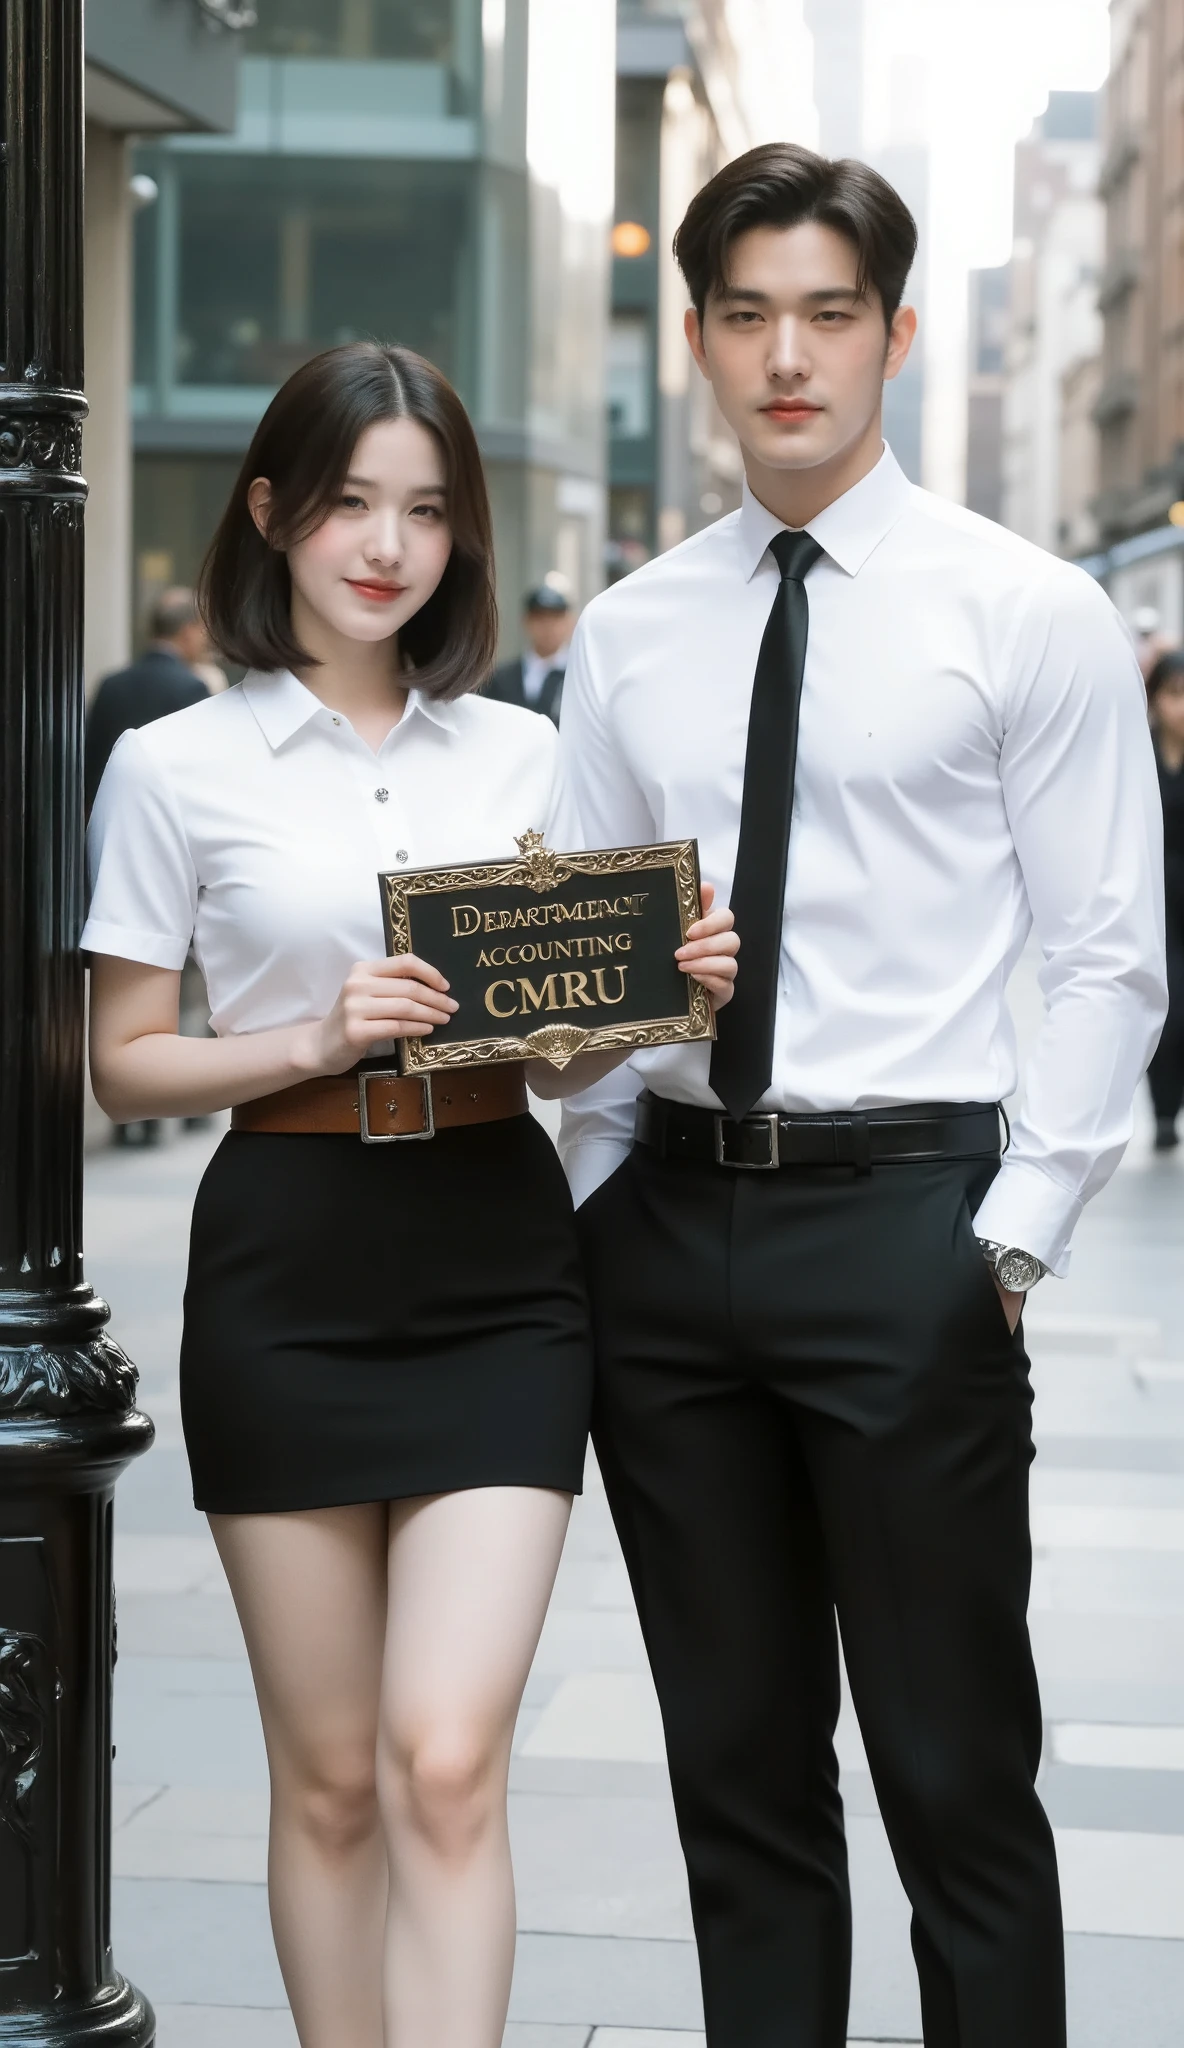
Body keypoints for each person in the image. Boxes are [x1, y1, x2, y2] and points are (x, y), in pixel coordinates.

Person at [558, 144, 1167, 2048]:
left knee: (952, 1777)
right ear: (695, 341)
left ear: (896, 332)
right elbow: (590, 947)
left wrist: (1003, 1237)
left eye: (826, 312)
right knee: (734, 1791)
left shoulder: (1024, 610)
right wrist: (593, 1195)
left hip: (908, 1226)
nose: (785, 356)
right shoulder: (634, 631)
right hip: (664, 1234)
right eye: (744, 316)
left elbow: (1103, 958)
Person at [83, 340, 737, 2048]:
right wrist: (308, 1028)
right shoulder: (176, 762)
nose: (388, 544)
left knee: (442, 1757)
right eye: (351, 502)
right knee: (324, 1781)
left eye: (428, 509)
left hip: (493, 1261)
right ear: (270, 513)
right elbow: (125, 1061)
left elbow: (567, 1067)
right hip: (283, 1261)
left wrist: (668, 994)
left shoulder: (528, 756)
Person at [84, 587, 212, 815]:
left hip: (106, 812)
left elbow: (90, 761)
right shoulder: (192, 687)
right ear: (187, 632)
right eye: (201, 629)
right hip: (163, 818)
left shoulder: (110, 684)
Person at [1147, 650, 1184, 1148]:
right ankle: (1162, 1112)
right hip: (1156, 893)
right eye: (1174, 695)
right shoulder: (1141, 753)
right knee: (1167, 1003)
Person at [485, 583, 572, 724]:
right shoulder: (501, 679)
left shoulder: (576, 675)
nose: (548, 627)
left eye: (555, 618)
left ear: (569, 622)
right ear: (526, 621)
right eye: (540, 619)